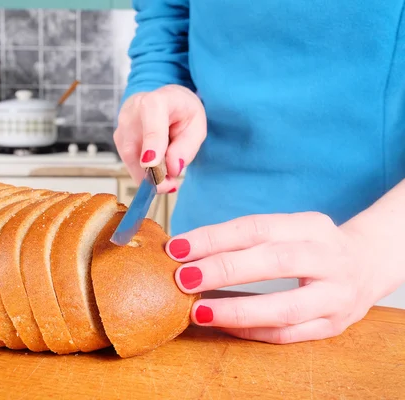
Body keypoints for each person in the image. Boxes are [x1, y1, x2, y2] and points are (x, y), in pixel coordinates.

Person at [114, 0, 405, 344]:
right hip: (199, 262)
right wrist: (151, 94)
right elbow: (165, 17)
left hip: (380, 273)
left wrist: (371, 254)